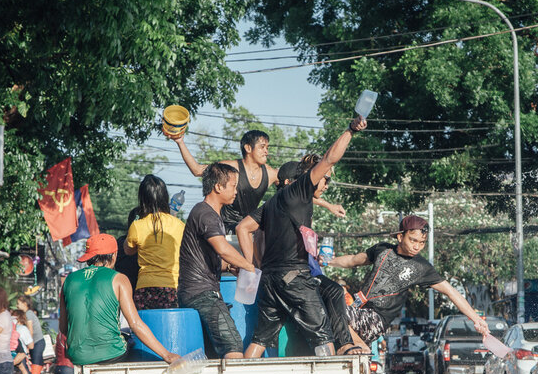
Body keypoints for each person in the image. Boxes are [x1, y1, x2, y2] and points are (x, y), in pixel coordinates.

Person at [241, 117, 368, 359]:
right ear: (298, 180)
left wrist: (253, 266)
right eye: (323, 178)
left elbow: (243, 227)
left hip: (269, 281)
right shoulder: (298, 190)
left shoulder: (271, 203)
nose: (324, 181)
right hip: (295, 278)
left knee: (260, 339)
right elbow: (330, 158)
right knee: (322, 335)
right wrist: (350, 130)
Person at [327, 215, 490, 349]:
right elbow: (353, 260)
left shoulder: (422, 267)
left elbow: (451, 292)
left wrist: (476, 319)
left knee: (331, 308)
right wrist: (326, 262)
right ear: (400, 236)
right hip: (357, 310)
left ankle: (357, 346)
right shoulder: (382, 249)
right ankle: (356, 348)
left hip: (376, 319)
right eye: (413, 240)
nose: (417, 247)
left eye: (422, 243)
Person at [172, 128, 346, 233]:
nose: (266, 152)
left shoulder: (270, 173)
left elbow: (296, 191)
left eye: (268, 148)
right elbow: (196, 170)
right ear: (248, 148)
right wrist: (180, 141)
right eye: (262, 147)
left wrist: (329, 206)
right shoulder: (230, 168)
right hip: (223, 226)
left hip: (248, 226)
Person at [60, 233, 180, 365]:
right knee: (133, 345)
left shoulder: (69, 280)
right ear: (114, 255)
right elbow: (135, 324)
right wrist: (166, 354)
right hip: (111, 354)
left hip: (77, 357)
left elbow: (64, 328)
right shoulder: (119, 279)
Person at [177, 163, 258, 359]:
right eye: (233, 185)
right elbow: (223, 248)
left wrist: (230, 266)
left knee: (212, 354)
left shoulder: (207, 214)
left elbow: (209, 258)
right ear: (218, 187)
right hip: (202, 293)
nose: (236, 191)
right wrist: (248, 265)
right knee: (233, 346)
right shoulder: (206, 213)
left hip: (194, 292)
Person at [124, 173, 185, 309]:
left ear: (143, 199)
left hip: (145, 288)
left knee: (146, 328)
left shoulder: (137, 225)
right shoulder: (179, 225)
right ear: (165, 197)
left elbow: (128, 250)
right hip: (172, 286)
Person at [16, 294, 46, 374]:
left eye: (18, 303)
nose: (17, 305)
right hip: (35, 342)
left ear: (25, 303)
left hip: (37, 342)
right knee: (34, 366)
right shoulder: (27, 313)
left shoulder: (28, 314)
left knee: (36, 366)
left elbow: (30, 331)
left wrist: (28, 346)